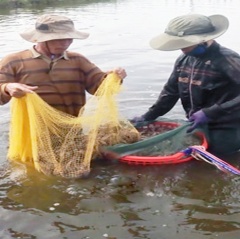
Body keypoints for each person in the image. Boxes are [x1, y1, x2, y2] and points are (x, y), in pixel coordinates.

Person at [132, 13, 240, 156]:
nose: (182, 49)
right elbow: (170, 93)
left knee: (220, 163)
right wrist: (149, 116)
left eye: (185, 44)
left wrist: (210, 112)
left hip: (226, 128)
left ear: (203, 40)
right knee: (196, 160)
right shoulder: (184, 60)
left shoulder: (227, 60)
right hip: (196, 124)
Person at [0, 14, 127, 117]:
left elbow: (100, 89)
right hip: (31, 133)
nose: (66, 43)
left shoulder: (78, 60)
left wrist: (115, 77)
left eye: (69, 38)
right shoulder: (14, 61)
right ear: (40, 38)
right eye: (59, 39)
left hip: (72, 130)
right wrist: (7, 87)